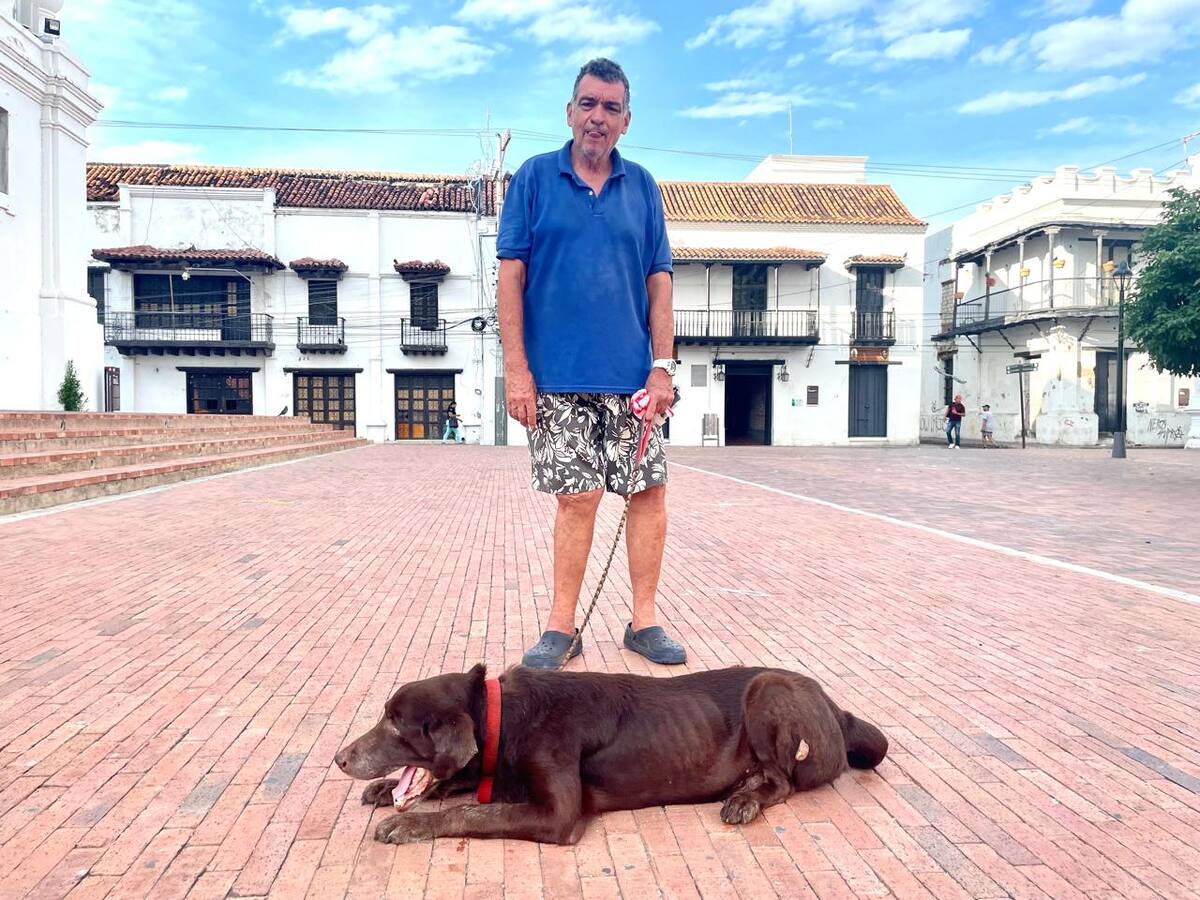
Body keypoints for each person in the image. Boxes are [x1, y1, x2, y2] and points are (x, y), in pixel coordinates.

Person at [497, 58, 685, 669]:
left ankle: (644, 621)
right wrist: (517, 371)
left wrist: (663, 367)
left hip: (634, 379)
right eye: (587, 103)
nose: (597, 117)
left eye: (610, 107)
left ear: (626, 120)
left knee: (647, 492)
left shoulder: (644, 188)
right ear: (569, 111)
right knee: (576, 498)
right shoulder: (532, 179)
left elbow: (660, 282)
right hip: (557, 378)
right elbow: (510, 278)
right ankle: (561, 628)